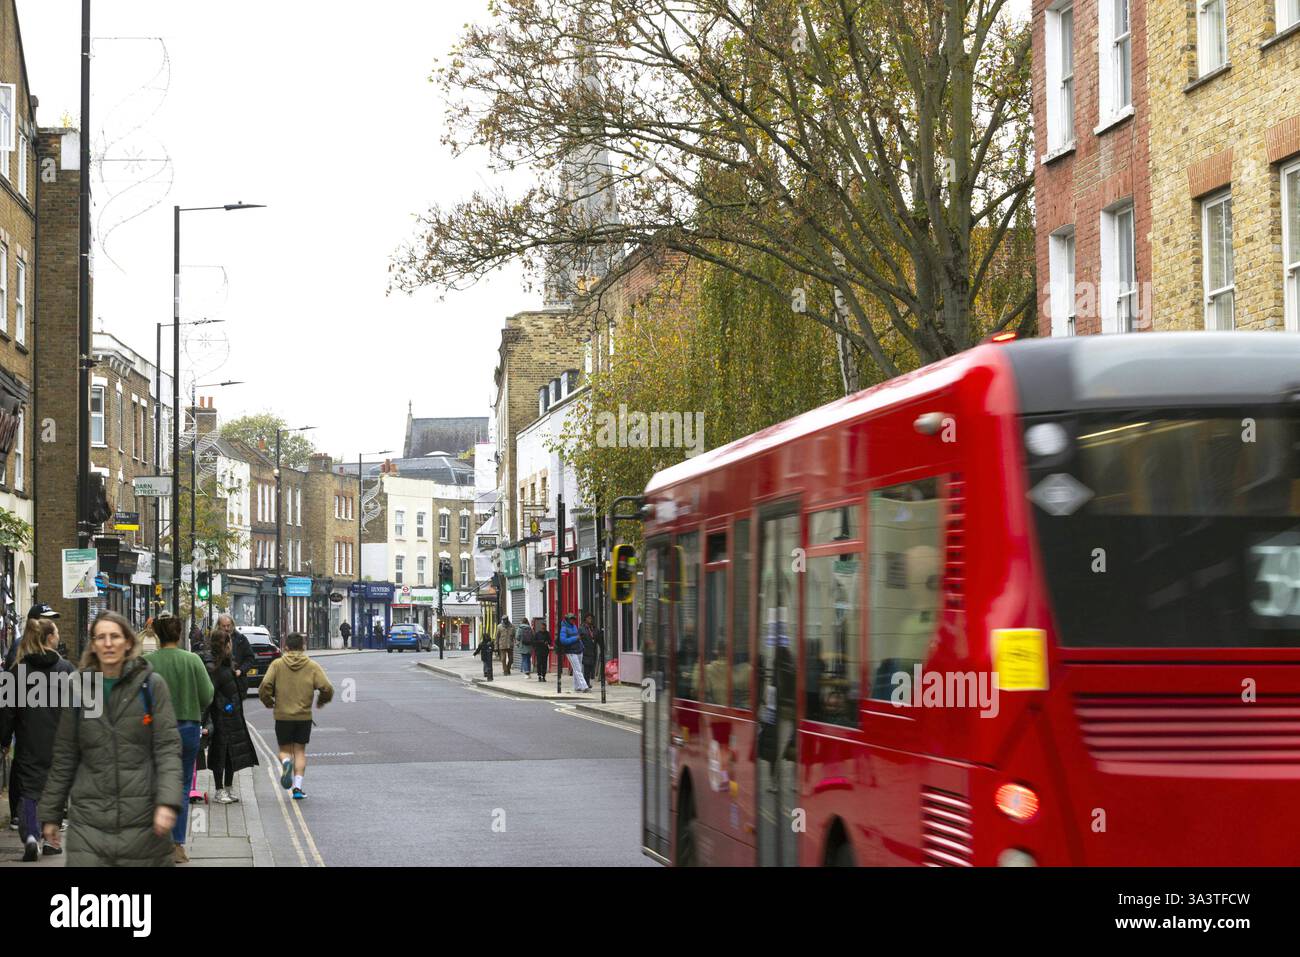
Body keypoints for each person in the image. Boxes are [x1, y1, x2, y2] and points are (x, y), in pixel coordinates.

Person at [38, 611, 183, 867]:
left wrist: (167, 803)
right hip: (88, 828)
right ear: (93, 644)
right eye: (100, 637)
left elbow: (167, 750)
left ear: (128, 642)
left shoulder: (151, 686)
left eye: (115, 636)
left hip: (144, 825)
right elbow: (65, 755)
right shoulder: (78, 688)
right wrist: (51, 814)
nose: (108, 643)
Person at [0, 618, 74, 861]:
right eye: (56, 632)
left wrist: (4, 740)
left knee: (29, 791)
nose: (59, 636)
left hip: (28, 740)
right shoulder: (66, 669)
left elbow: (6, 712)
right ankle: (51, 840)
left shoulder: (16, 671)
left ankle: (31, 836)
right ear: (50, 638)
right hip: (60, 741)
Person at [145, 615, 214, 863]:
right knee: (183, 787)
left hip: (156, 730)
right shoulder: (192, 660)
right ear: (179, 634)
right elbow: (207, 695)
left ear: (157, 635)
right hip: (188, 728)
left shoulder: (147, 662)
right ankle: (177, 845)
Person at [258, 633, 333, 800]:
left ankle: (286, 763)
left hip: (283, 716)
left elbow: (265, 685)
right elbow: (327, 687)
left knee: (284, 751)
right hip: (303, 717)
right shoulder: (312, 665)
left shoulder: (277, 664)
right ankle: (297, 788)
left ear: (286, 647)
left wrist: (268, 701)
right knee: (300, 751)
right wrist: (321, 700)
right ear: (303, 647)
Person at [202, 631, 259, 804]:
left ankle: (228, 787)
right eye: (229, 643)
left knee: (231, 754)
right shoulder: (213, 667)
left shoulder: (227, 663)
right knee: (220, 754)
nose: (231, 645)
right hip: (221, 717)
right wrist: (224, 708)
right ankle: (219, 790)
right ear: (225, 645)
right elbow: (210, 695)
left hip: (233, 716)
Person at [212, 614, 256, 695]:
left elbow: (250, 658)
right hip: (219, 683)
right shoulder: (213, 639)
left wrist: (241, 670)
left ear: (232, 624)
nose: (226, 628)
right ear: (218, 626)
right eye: (223, 626)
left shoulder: (241, 639)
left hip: (237, 682)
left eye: (228, 625)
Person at [558, 613, 590, 692]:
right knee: (577, 669)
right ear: (567, 620)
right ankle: (584, 686)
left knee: (578, 669)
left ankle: (577, 686)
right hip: (571, 651)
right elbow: (563, 641)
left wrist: (581, 645)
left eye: (573, 619)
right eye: (571, 619)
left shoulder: (574, 626)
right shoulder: (564, 628)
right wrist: (575, 638)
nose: (572, 620)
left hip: (578, 649)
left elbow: (578, 637)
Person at [581, 613, 604, 687]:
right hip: (585, 650)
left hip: (593, 651)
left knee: (591, 666)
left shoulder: (594, 629)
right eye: (588, 618)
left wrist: (602, 648)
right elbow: (579, 639)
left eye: (591, 618)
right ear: (585, 619)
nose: (590, 620)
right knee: (586, 668)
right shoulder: (582, 628)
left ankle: (588, 681)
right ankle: (586, 683)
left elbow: (599, 639)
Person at [532, 617, 550, 681]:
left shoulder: (547, 633)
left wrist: (547, 642)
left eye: (544, 628)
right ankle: (539, 675)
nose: (543, 629)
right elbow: (534, 641)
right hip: (539, 650)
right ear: (541, 627)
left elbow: (550, 641)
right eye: (542, 628)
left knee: (544, 663)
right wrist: (540, 642)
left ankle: (544, 676)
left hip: (545, 651)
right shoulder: (537, 634)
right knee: (539, 663)